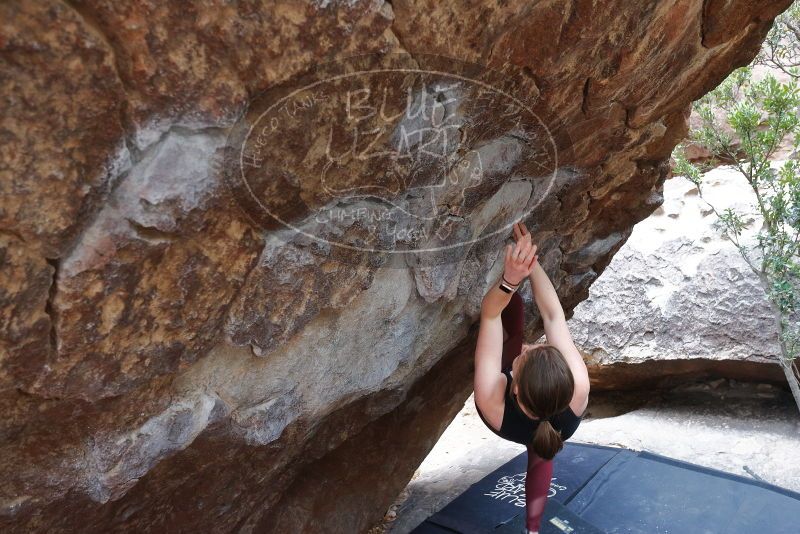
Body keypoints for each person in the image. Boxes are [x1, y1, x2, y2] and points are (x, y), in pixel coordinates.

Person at [473, 221, 591, 534]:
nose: (527, 346)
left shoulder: (492, 398)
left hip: (506, 422)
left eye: (522, 357)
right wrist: (531, 263)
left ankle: (534, 528)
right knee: (542, 451)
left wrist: (509, 282)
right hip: (553, 423)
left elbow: (489, 313)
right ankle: (534, 530)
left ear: (513, 385)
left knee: (512, 311)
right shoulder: (577, 387)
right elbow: (553, 315)